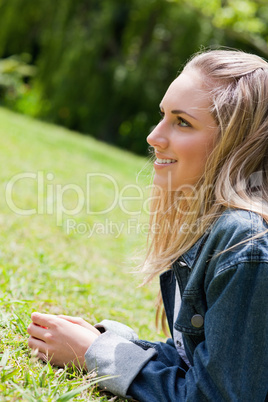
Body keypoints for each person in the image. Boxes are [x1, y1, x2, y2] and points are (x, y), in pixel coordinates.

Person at [27, 49, 268, 401]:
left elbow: (215, 395)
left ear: (236, 142)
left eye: (182, 122)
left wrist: (95, 355)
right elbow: (195, 360)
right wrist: (106, 343)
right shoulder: (206, 226)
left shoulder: (245, 240)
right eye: (163, 115)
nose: (154, 136)